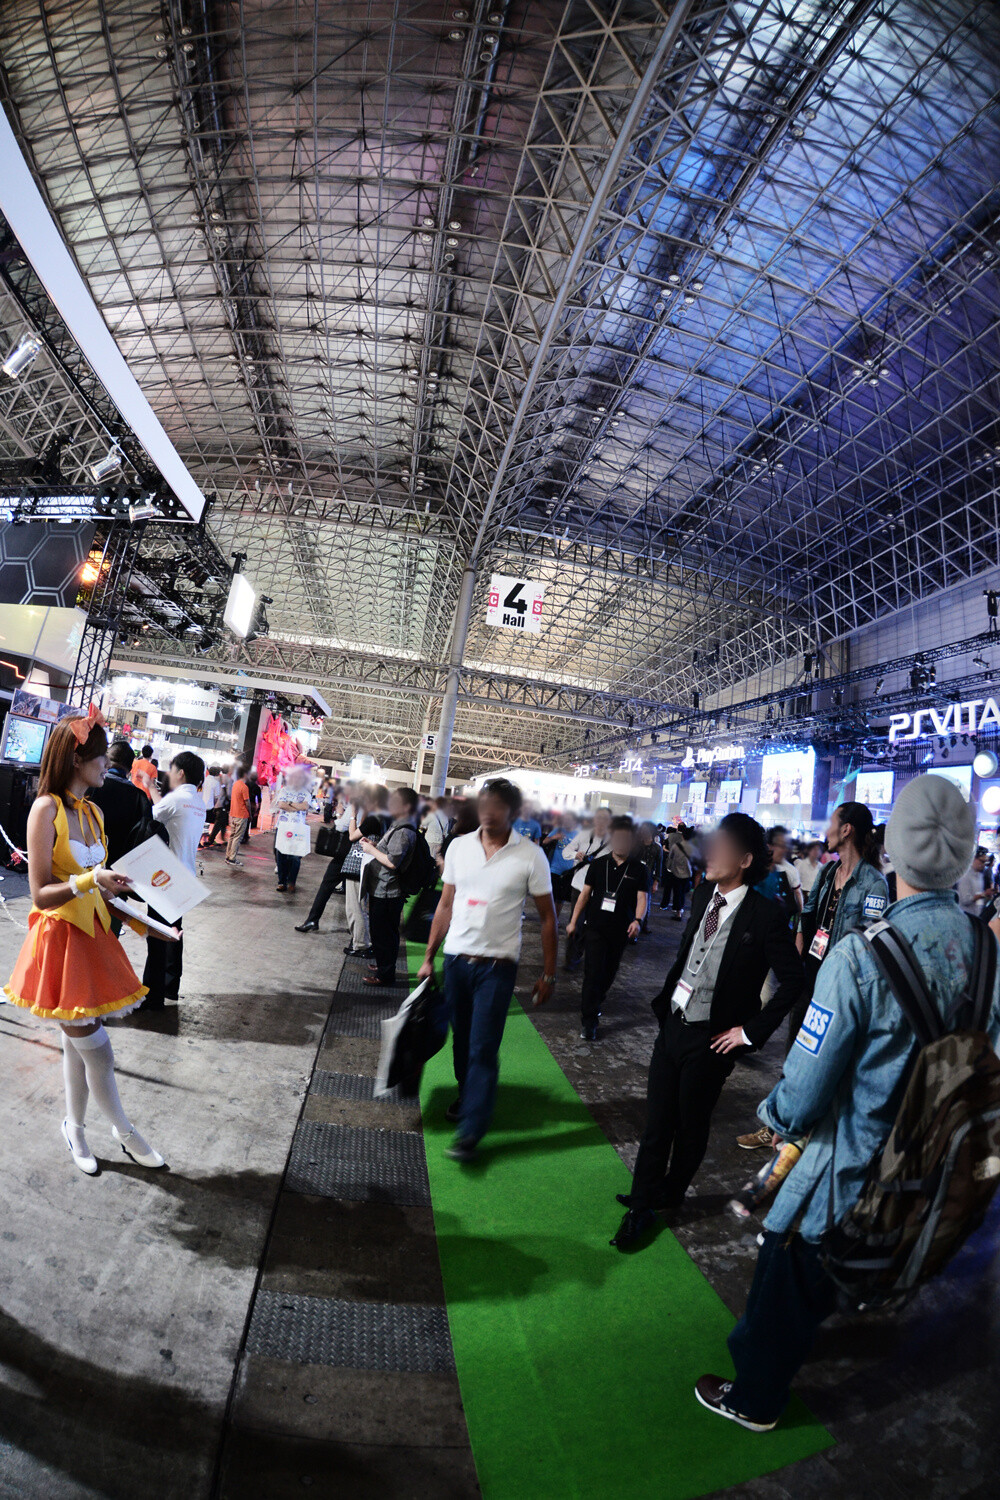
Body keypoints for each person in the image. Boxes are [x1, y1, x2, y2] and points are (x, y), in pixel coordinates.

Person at [695, 774, 1000, 1432]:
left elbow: (805, 1089)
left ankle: (754, 1399)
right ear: (966, 855)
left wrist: (773, 1121)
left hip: (845, 1171)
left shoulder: (862, 955)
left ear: (892, 851)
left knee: (785, 1275)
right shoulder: (988, 955)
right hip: (932, 1168)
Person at [612, 812, 804, 1250]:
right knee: (657, 1121)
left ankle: (672, 1190)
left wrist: (750, 1033)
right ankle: (641, 1202)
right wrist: (667, 1005)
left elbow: (793, 980)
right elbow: (687, 954)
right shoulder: (702, 895)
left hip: (714, 1039)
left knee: (691, 1124)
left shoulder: (764, 916)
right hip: (675, 1023)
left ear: (744, 859)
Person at [4, 710, 172, 1174]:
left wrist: (141, 917)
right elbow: (39, 893)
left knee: (77, 1044)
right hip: (59, 942)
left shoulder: (94, 812)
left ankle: (74, 1129)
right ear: (78, 759)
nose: (108, 764)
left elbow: (99, 885)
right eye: (100, 756)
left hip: (95, 936)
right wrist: (89, 879)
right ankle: (125, 1131)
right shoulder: (46, 809)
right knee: (97, 1048)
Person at [417, 778, 558, 1162]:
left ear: (513, 812)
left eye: (497, 806)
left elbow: (548, 918)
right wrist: (430, 955)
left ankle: (471, 1131)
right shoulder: (460, 847)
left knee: (482, 1045)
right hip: (457, 961)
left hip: (497, 968)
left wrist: (548, 973)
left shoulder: (530, 856)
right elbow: (445, 904)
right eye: (485, 804)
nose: (488, 812)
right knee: (461, 1041)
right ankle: (468, 1096)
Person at [566, 815, 649, 1041]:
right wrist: (573, 921)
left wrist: (638, 921)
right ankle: (589, 1020)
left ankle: (596, 1000)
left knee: (609, 973)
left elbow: (643, 898)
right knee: (592, 973)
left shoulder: (639, 869)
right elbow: (584, 895)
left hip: (621, 930)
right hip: (595, 927)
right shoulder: (598, 864)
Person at [137, 750, 206, 1009]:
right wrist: (152, 787)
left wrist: (147, 787)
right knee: (173, 933)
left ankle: (151, 996)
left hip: (165, 877)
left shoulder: (176, 799)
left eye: (172, 769)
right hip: (186, 875)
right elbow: (165, 807)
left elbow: (154, 814)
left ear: (181, 773)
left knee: (157, 935)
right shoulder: (197, 802)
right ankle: (169, 987)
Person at [361, 786, 420, 987]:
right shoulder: (399, 825)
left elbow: (393, 862)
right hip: (383, 888)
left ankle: (385, 975)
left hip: (388, 891)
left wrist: (370, 849)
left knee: (384, 934)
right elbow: (390, 853)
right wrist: (375, 847)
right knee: (381, 932)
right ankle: (383, 965)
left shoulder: (404, 830)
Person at [341, 788, 388, 955]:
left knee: (355, 907)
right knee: (360, 906)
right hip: (370, 867)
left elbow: (352, 836)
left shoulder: (374, 818)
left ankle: (361, 945)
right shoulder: (384, 816)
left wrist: (353, 814)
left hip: (359, 867)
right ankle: (362, 940)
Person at [89, 738, 148, 869]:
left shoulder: (90, 787)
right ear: (130, 768)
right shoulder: (140, 798)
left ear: (106, 760)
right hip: (120, 870)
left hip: (85, 866)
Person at [563, 808, 612, 966]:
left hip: (600, 890)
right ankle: (571, 957)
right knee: (575, 922)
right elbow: (567, 850)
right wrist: (575, 855)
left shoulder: (614, 840)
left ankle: (580, 951)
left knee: (593, 925)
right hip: (579, 886)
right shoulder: (584, 834)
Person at [271, 763, 311, 893]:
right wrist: (295, 805)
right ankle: (281, 882)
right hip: (282, 826)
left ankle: (291, 881)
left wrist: (289, 803)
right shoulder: (284, 790)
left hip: (298, 828)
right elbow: (281, 805)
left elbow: (304, 807)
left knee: (295, 856)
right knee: (280, 854)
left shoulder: (306, 793)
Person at [543, 810, 581, 915]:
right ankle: (549, 917)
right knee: (551, 895)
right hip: (554, 868)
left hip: (569, 870)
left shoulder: (579, 834)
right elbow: (545, 841)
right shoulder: (558, 830)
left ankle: (555, 918)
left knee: (561, 898)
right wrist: (554, 837)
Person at [661, 824, 695, 917]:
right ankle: (680, 909)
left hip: (675, 871)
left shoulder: (676, 846)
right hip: (688, 873)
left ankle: (678, 911)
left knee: (677, 891)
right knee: (682, 893)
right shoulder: (694, 848)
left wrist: (668, 868)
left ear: (683, 835)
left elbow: (671, 857)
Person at [636, 821, 662, 932]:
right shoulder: (636, 846)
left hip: (648, 878)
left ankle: (643, 925)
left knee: (646, 902)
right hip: (635, 876)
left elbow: (659, 865)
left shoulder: (657, 848)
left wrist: (656, 882)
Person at [226, 766, 251, 865]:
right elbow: (247, 802)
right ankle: (232, 858)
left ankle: (228, 856)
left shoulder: (235, 784)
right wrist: (250, 814)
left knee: (232, 836)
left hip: (233, 814)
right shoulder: (244, 787)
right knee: (237, 837)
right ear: (245, 774)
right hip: (241, 815)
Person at [958, 846, 993, 916]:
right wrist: (983, 894)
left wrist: (986, 897)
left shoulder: (979, 875)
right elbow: (964, 900)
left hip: (976, 916)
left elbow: (978, 900)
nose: (983, 865)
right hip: (965, 916)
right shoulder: (966, 876)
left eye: (985, 862)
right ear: (973, 859)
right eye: (981, 861)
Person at [424, 796, 452, 867]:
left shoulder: (431, 815)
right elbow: (446, 832)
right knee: (436, 861)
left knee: (427, 859)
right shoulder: (446, 817)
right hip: (440, 842)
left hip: (429, 840)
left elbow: (423, 826)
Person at [242, 766, 263, 845]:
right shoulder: (257, 787)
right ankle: (245, 835)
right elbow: (260, 799)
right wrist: (258, 808)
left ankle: (243, 835)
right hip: (252, 804)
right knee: (248, 821)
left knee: (243, 820)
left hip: (245, 802)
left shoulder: (245, 784)